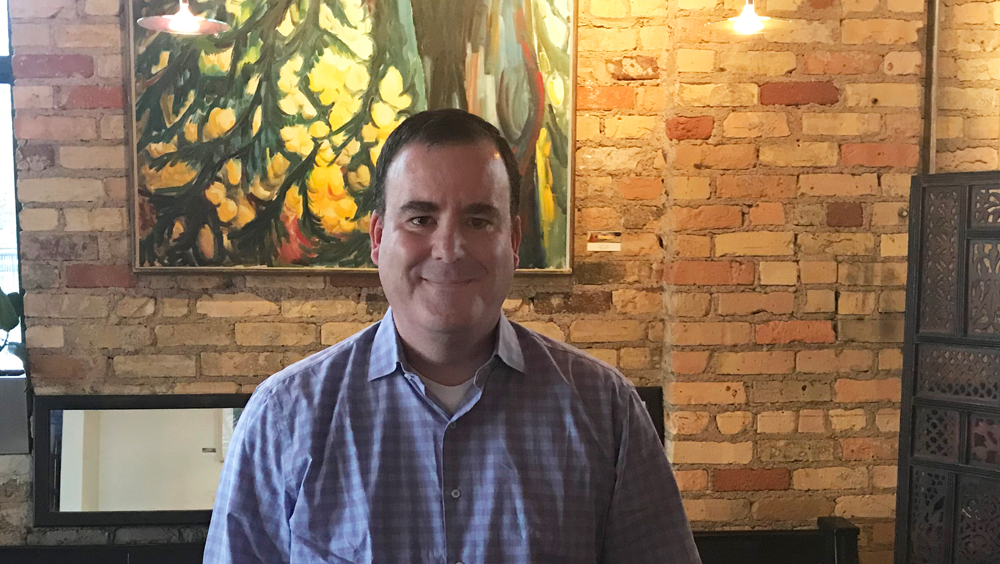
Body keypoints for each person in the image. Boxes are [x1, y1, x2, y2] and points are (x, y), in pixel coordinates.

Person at [204, 109, 700, 564]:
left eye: (479, 219)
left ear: (514, 241)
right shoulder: (284, 417)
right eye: (420, 218)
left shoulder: (604, 408)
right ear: (378, 239)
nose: (449, 248)